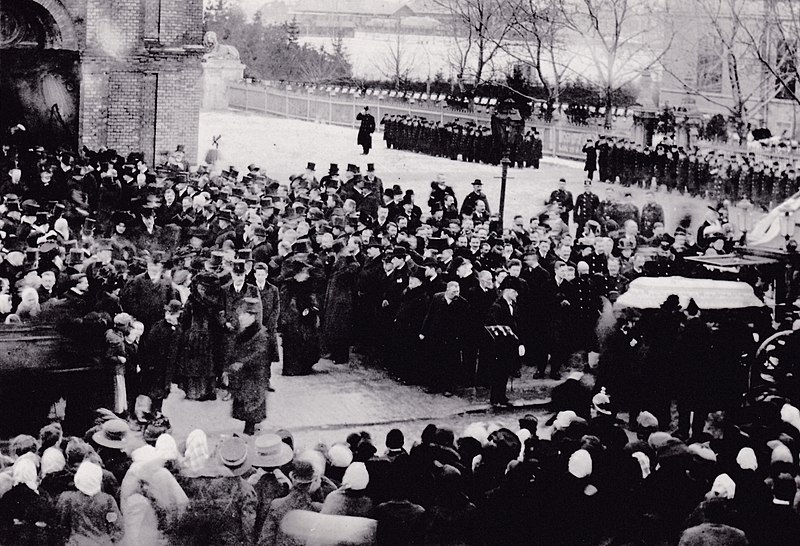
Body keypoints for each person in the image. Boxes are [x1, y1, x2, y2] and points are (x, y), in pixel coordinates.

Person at [226, 297, 272, 435]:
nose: (240, 318)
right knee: (246, 406)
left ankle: (249, 433)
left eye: (244, 315)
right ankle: (249, 431)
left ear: (252, 316)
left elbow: (259, 353)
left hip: (255, 378)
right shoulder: (243, 331)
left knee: (252, 406)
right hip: (244, 378)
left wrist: (241, 363)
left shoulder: (261, 334)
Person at [485, 276, 525, 406]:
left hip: (511, 345)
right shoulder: (497, 306)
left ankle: (501, 396)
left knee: (506, 371)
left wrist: (519, 342)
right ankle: (495, 397)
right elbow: (496, 326)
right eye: (515, 291)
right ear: (507, 290)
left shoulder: (513, 305)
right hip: (500, 346)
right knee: (498, 372)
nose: (517, 294)